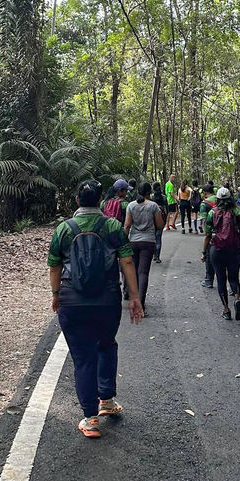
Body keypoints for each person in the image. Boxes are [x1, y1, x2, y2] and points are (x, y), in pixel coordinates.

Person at [48, 180, 143, 439]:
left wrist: (56, 295)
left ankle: (90, 418)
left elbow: (55, 267)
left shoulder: (63, 229)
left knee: (82, 357)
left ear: (77, 200)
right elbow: (126, 261)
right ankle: (107, 401)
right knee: (106, 344)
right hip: (107, 301)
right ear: (101, 200)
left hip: (72, 301)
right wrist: (134, 297)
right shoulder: (113, 227)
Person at [201, 187, 240, 321]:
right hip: (234, 249)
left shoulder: (212, 212)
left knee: (221, 279)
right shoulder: (236, 212)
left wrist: (204, 252)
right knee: (234, 277)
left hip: (217, 250)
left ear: (217, 199)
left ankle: (226, 310)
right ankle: (236, 298)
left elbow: (207, 234)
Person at [124, 182, 164, 315]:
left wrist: (123, 241)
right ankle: (141, 304)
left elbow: (127, 225)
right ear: (149, 192)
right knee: (143, 273)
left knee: (134, 272)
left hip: (133, 241)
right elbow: (159, 225)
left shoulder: (131, 205)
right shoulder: (153, 206)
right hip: (148, 242)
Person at [200, 183, 216, 287]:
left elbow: (205, 222)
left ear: (205, 193)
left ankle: (209, 280)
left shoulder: (204, 204)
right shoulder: (221, 199)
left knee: (210, 257)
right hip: (227, 234)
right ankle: (234, 287)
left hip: (213, 235)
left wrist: (203, 251)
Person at [151, 182, 168, 262]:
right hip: (161, 219)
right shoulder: (164, 197)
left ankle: (153, 254)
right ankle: (157, 256)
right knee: (158, 237)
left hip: (152, 219)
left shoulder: (151, 197)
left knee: (152, 237)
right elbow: (167, 210)